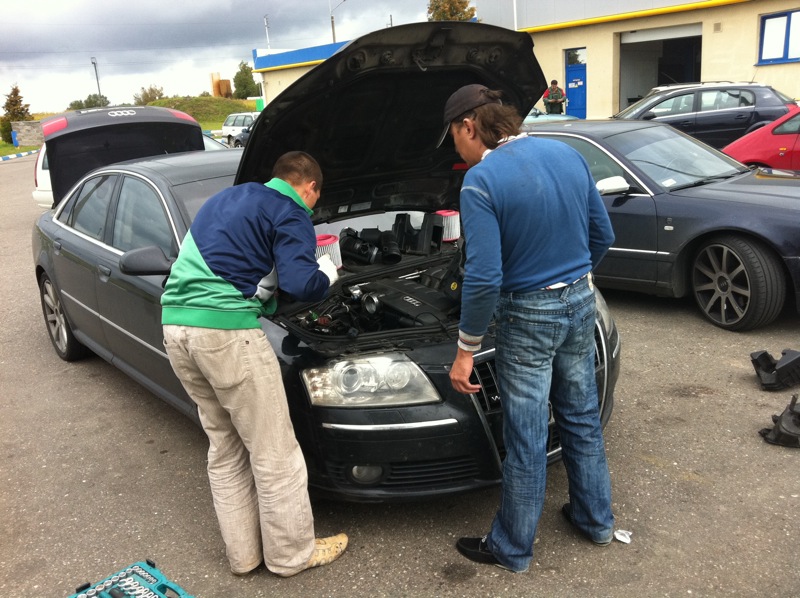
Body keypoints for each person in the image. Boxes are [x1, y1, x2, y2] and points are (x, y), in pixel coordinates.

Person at [442, 84, 616, 573]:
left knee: (527, 434)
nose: (456, 148)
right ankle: (596, 521)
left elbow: (483, 277)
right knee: (581, 417)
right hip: (579, 301)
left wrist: (465, 350)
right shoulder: (566, 154)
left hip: (527, 316)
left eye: (453, 137)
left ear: (469, 127)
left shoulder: (481, 180)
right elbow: (603, 234)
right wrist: (572, 279)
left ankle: (512, 548)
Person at [160, 150, 347, 578]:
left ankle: (243, 557)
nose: (312, 207)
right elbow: (302, 283)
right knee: (275, 451)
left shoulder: (228, 198)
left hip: (176, 328)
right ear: (310, 187)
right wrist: (328, 275)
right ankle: (291, 555)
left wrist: (268, 298)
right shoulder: (291, 210)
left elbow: (230, 266)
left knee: (225, 448)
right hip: (226, 334)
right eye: (315, 198)